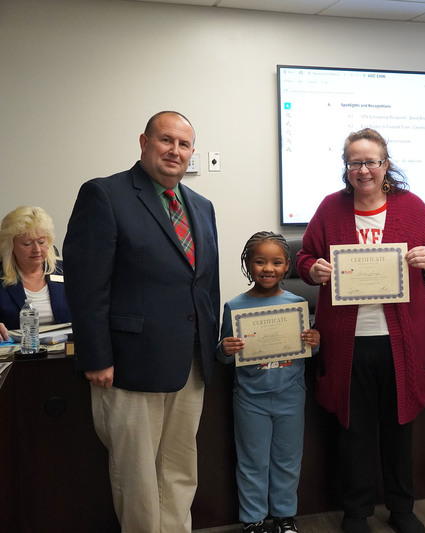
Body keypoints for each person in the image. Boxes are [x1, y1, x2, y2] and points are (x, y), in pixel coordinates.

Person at [63, 111, 220, 532]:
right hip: (130, 364)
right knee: (137, 476)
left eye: (184, 144)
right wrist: (96, 357)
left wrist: (213, 348)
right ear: (144, 141)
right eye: (166, 140)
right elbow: (86, 285)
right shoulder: (105, 194)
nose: (175, 151)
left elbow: (206, 287)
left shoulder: (201, 207)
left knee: (180, 468)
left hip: (189, 363)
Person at [296, 128, 425, 533]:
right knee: (354, 431)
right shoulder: (331, 208)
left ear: (386, 165)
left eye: (371, 161)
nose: (363, 170)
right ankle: (356, 513)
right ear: (346, 168)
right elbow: (305, 257)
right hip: (347, 342)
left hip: (402, 341)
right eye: (354, 162)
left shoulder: (411, 207)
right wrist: (312, 270)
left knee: (400, 429)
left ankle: (402, 509)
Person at [217, 231, 320, 533]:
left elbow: (310, 348)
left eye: (276, 262)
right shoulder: (234, 306)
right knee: (252, 462)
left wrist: (315, 341)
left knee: (288, 460)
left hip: (291, 395)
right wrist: (224, 349)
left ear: (287, 265)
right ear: (248, 265)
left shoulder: (298, 303)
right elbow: (222, 354)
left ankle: (285, 517)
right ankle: (253, 521)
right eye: (259, 262)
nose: (268, 268)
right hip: (250, 398)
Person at [0, 206, 70, 340]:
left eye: (41, 242)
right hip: (16, 355)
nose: (37, 249)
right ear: (10, 246)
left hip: (65, 354)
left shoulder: (66, 271)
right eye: (27, 244)